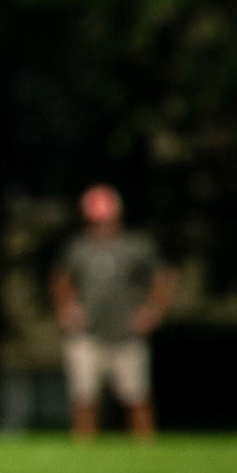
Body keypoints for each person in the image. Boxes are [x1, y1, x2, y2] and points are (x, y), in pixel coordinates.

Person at [52, 184, 175, 441]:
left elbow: (163, 277)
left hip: (126, 335)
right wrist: (67, 309)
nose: (101, 226)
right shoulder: (79, 248)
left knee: (137, 396)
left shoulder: (135, 247)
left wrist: (152, 311)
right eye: (96, 221)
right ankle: (84, 453)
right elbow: (61, 278)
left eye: (105, 219)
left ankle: (145, 451)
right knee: (84, 398)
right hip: (87, 335)